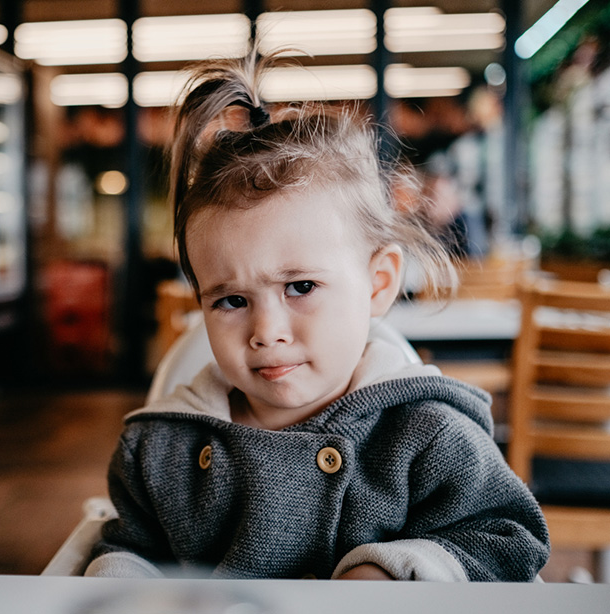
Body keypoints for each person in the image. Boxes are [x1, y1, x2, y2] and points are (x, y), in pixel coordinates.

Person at [85, 52, 549, 581]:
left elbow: (508, 540)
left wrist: (399, 570)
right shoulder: (159, 449)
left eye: (300, 287)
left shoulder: (427, 434)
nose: (267, 333)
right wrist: (122, 577)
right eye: (230, 300)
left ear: (378, 284)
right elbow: (124, 549)